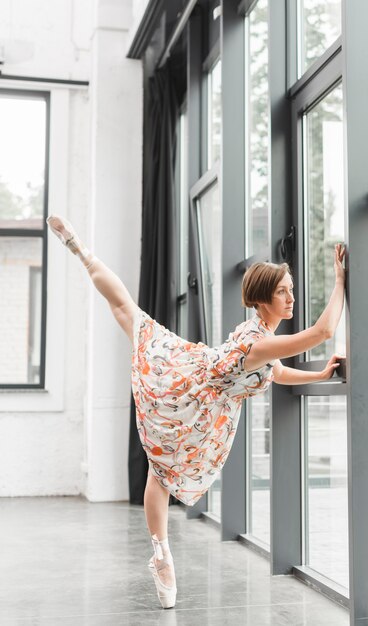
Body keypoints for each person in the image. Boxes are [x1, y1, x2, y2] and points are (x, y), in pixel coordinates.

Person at [47, 215, 346, 610]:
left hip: (199, 391)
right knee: (127, 313)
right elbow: (321, 333)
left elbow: (275, 373)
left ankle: (161, 552)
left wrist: (319, 371)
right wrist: (340, 281)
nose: (291, 299)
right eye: (283, 292)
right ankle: (80, 249)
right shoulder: (257, 342)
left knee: (128, 316)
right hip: (191, 391)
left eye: (291, 291)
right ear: (261, 299)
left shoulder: (258, 335)